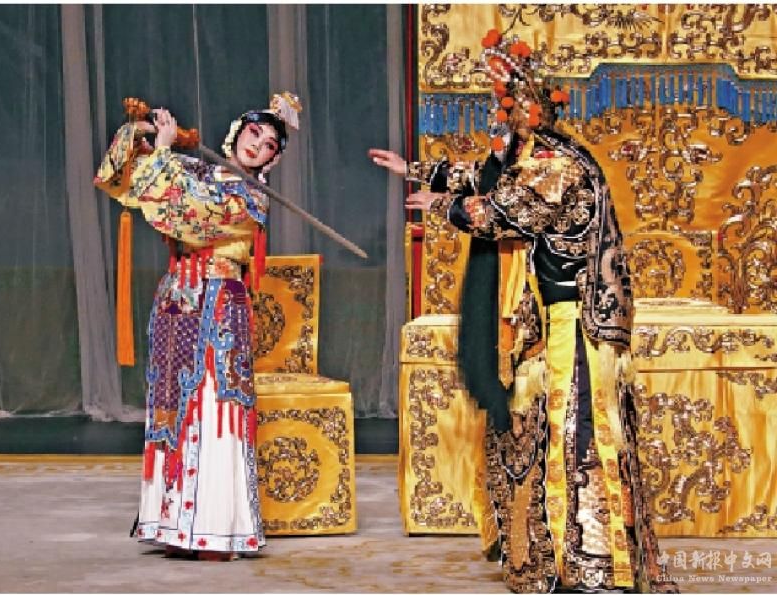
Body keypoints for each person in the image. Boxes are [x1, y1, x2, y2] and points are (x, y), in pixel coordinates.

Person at [370, 31, 676, 594]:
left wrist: (441, 204)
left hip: (577, 328)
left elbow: (500, 210)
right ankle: (558, 559)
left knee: (576, 437)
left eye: (503, 111)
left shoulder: (555, 166)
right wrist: (414, 170)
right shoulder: (537, 159)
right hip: (555, 322)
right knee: (548, 435)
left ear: (527, 116)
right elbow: (483, 176)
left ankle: (593, 565)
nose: (497, 122)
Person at [95, 92, 302, 561]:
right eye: (254, 133)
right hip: (177, 299)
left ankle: (214, 529)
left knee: (213, 407)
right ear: (237, 132)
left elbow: (188, 215)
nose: (257, 145)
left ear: (272, 159)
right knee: (171, 409)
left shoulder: (251, 199)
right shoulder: (199, 171)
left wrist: (165, 152)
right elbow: (121, 177)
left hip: (218, 307)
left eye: (268, 144)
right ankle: (171, 524)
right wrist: (144, 134)